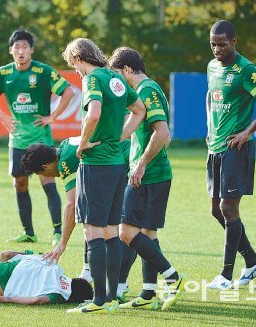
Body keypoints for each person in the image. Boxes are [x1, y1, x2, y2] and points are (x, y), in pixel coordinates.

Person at [61, 38, 146, 314]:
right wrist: (119, 136)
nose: (75, 70)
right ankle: (111, 297)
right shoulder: (115, 77)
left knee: (92, 231)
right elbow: (140, 111)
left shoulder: (93, 79)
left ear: (78, 57)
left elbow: (93, 113)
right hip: (116, 164)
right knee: (110, 232)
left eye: (73, 64)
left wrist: (83, 143)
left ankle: (98, 301)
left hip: (96, 164)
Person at [205, 20, 256, 290]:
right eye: (213, 44)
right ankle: (252, 261)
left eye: (222, 44)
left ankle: (225, 276)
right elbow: (211, 97)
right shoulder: (212, 67)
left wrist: (248, 131)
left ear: (234, 42)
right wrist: (210, 129)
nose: (217, 49)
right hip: (215, 147)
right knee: (216, 210)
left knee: (228, 208)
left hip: (236, 149)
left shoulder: (246, 69)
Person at [20, 136, 136, 304]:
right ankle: (89, 274)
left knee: (128, 230)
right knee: (94, 220)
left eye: (41, 173)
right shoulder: (65, 144)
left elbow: (71, 204)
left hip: (130, 165)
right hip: (120, 165)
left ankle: (121, 285)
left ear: (45, 166)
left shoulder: (65, 162)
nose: (46, 176)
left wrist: (62, 243)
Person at [0, 28, 74, 246]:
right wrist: (2, 117)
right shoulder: (4, 74)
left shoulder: (43, 72)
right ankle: (29, 232)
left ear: (31, 50)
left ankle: (58, 231)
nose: (21, 51)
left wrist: (52, 116)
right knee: (20, 184)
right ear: (11, 50)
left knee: (48, 181)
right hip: (17, 140)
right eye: (17, 47)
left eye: (24, 47)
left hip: (41, 139)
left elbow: (68, 92)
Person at [109, 46, 176, 310]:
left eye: (117, 74)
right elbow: (134, 128)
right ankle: (149, 294)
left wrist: (140, 166)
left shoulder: (147, 91)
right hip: (155, 174)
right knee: (147, 233)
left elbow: (162, 133)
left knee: (126, 232)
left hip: (148, 174)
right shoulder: (147, 90)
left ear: (126, 70)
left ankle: (172, 276)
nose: (116, 81)